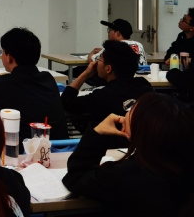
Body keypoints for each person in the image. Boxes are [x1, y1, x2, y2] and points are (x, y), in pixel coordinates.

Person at [63, 93, 194, 217]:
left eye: (131, 109)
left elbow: (76, 177)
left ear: (143, 127)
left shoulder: (124, 174)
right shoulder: (182, 167)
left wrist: (98, 133)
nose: (125, 114)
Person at [0, 28, 68, 152]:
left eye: (3, 52)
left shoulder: (2, 85)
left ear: (9, 57)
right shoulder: (48, 80)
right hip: (61, 151)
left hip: (21, 155)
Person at [61, 40, 153, 133]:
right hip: (144, 140)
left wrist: (86, 74)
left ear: (108, 69)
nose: (97, 63)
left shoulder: (103, 96)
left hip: (114, 141)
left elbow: (66, 101)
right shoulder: (144, 85)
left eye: (99, 60)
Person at [164, 8, 194, 80]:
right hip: (179, 72)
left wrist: (186, 60)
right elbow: (171, 51)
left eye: (184, 20)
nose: (181, 20)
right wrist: (170, 59)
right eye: (183, 17)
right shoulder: (181, 36)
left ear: (192, 28)